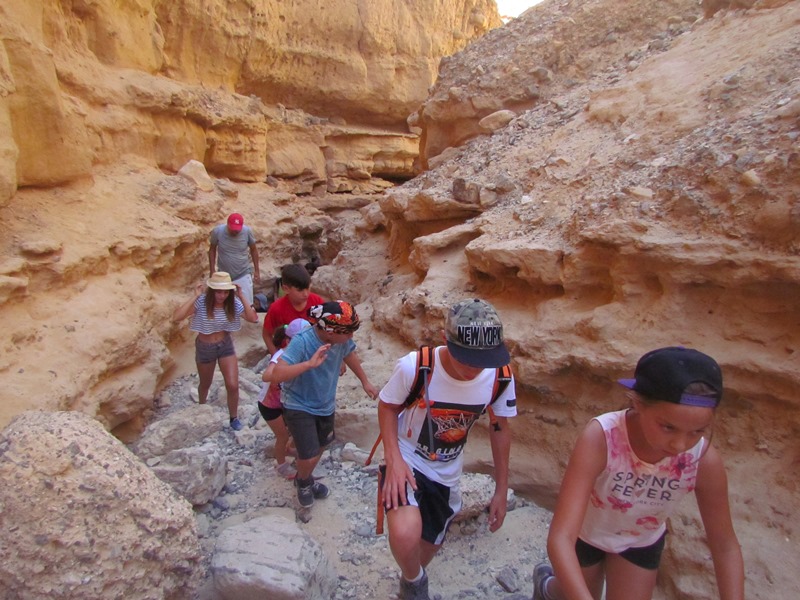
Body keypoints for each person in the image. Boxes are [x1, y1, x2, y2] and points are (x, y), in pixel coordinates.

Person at [533, 347, 744, 600]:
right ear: (637, 402)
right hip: (585, 534)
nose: (680, 445)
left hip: (640, 541)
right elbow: (561, 537)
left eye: (697, 431)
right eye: (668, 427)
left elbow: (725, 545)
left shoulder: (704, 461)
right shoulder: (602, 438)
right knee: (569, 594)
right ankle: (546, 586)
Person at [378, 298, 517, 600]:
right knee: (405, 533)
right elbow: (387, 406)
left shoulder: (500, 376)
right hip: (408, 456)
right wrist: (393, 459)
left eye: (484, 359)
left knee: (429, 544)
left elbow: (500, 427)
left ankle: (411, 578)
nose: (475, 368)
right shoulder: (416, 366)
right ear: (445, 339)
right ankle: (415, 584)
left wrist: (501, 489)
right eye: (467, 358)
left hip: (447, 471)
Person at [270, 301, 378, 508]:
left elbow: (349, 354)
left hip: (324, 403)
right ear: (330, 330)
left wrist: (365, 382)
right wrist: (308, 364)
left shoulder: (340, 341)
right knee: (308, 454)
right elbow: (277, 374)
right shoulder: (302, 341)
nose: (351, 337)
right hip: (298, 404)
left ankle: (305, 477)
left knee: (321, 445)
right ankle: (303, 482)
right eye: (347, 332)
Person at [173, 271, 258, 431]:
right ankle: (202, 407)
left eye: (225, 292)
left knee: (232, 384)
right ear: (212, 291)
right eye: (219, 292)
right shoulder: (202, 302)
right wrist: (195, 296)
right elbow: (177, 316)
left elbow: (253, 318)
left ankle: (234, 418)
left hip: (225, 344)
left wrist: (242, 295)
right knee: (205, 383)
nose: (222, 296)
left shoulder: (232, 303)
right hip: (205, 347)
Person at [257, 318, 310, 478]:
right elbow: (267, 376)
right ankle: (281, 465)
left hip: (286, 402)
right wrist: (280, 375)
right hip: (270, 405)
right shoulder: (281, 355)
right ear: (289, 341)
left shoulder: (302, 356)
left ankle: (289, 450)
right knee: (282, 436)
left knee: (295, 430)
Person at [262, 263, 324, 354]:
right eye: (300, 290)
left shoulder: (317, 302)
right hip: (288, 355)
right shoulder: (276, 308)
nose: (306, 294)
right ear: (286, 289)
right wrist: (275, 355)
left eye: (308, 288)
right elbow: (267, 335)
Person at [209, 213, 260, 308]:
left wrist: (257, 270)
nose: (235, 231)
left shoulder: (247, 231)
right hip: (224, 275)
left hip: (243, 272)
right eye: (233, 229)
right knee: (222, 304)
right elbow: (212, 250)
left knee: (247, 305)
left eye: (237, 229)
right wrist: (212, 270)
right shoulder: (218, 231)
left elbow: (254, 250)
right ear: (227, 224)